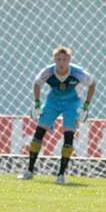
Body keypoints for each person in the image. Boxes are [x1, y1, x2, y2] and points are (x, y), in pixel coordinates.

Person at [18, 46, 96, 184]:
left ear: (69, 60)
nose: (61, 62)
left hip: (71, 104)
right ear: (54, 60)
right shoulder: (48, 71)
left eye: (64, 59)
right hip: (52, 102)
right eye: (58, 59)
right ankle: (29, 171)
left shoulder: (77, 72)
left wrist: (85, 106)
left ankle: (61, 175)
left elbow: (92, 84)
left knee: (68, 137)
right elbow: (37, 84)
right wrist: (37, 103)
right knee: (38, 134)